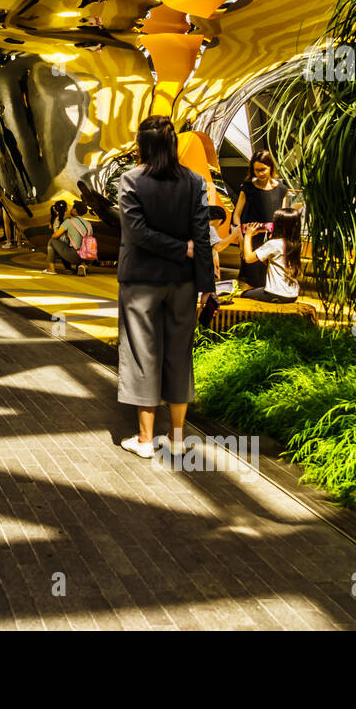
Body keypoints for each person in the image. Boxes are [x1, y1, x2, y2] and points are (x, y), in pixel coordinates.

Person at [116, 115, 213, 459]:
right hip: (183, 281)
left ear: (142, 146)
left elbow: (137, 231)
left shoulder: (131, 180)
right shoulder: (195, 182)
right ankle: (176, 438)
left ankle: (144, 439)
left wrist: (176, 247)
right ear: (172, 146)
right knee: (178, 355)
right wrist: (207, 286)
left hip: (141, 281)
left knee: (143, 354)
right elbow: (201, 237)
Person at [232, 150, 287, 289]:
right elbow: (237, 214)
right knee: (250, 277)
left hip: (271, 238)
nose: (260, 173)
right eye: (256, 170)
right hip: (251, 237)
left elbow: (282, 216)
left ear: (271, 168)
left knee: (268, 277)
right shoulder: (248, 187)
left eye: (263, 169)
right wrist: (240, 237)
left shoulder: (281, 189)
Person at [238, 207, 302, 303]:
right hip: (292, 294)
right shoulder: (296, 244)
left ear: (279, 225)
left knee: (243, 295)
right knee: (256, 290)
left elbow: (248, 258)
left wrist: (248, 235)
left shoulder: (275, 244)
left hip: (276, 293)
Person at [45, 201, 92, 276]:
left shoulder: (69, 221)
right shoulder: (88, 224)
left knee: (52, 241)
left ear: (75, 210)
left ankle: (51, 269)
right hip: (88, 256)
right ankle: (82, 265)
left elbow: (55, 236)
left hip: (75, 255)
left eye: (72, 207)